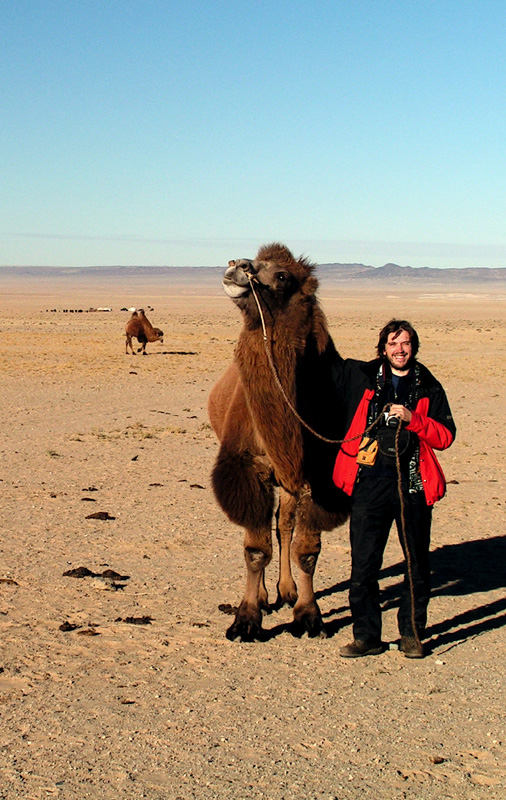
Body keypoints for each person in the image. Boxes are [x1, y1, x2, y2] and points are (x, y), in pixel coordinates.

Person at [331, 319, 456, 658]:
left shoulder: (429, 386)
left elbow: (446, 436)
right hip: (369, 484)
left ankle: (412, 636)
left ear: (413, 347)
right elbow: (323, 364)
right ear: (383, 348)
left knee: (416, 565)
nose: (400, 350)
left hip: (412, 485)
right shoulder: (363, 377)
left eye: (406, 344)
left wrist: (412, 418)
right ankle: (367, 637)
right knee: (364, 565)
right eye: (393, 344)